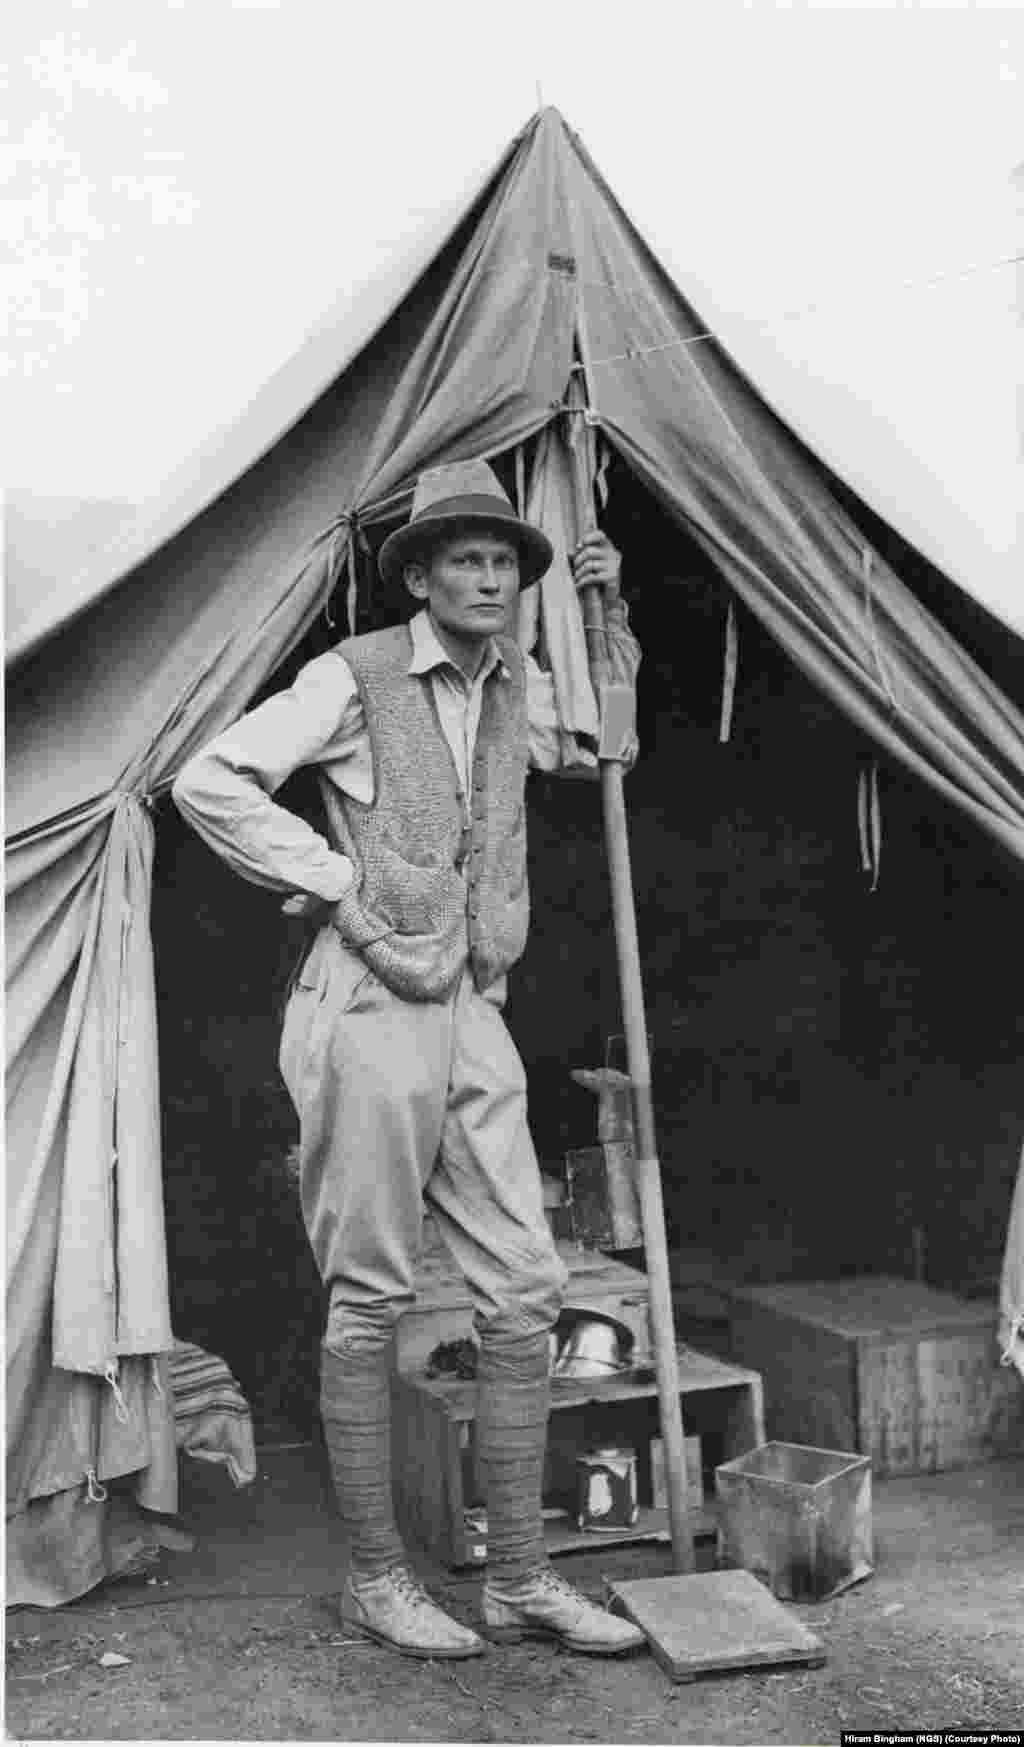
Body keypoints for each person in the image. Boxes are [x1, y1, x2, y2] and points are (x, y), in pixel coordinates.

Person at [172, 458, 645, 1660]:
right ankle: (376, 1575)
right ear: (421, 576)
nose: (487, 576)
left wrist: (610, 621)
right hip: (367, 1003)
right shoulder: (354, 674)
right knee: (373, 1292)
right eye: (465, 560)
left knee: (526, 1286)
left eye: (503, 560)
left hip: (471, 1000)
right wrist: (336, 886)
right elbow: (208, 780)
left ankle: (518, 1578)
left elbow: (604, 751)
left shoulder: (514, 680)